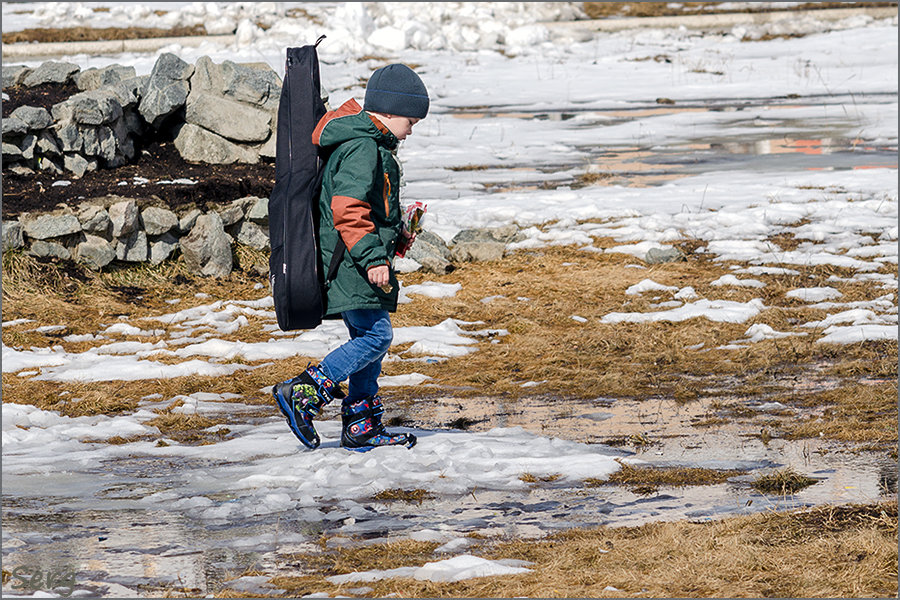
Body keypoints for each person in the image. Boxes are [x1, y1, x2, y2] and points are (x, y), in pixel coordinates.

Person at [273, 63, 429, 452]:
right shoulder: (363, 148)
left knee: (367, 340)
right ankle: (304, 391)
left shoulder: (372, 146)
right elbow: (348, 209)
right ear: (389, 112)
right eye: (411, 120)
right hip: (353, 264)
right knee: (377, 336)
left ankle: (361, 427)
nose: (412, 129)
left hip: (358, 260)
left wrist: (400, 233)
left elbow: (371, 212)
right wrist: (374, 259)